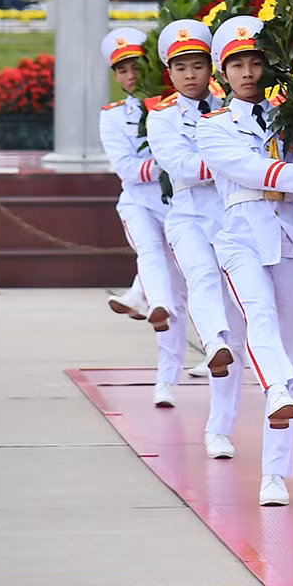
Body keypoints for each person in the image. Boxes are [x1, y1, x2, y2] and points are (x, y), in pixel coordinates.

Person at [200, 15, 293, 506]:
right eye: (236, 64)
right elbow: (250, 169)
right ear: (222, 73)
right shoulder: (212, 127)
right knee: (256, 315)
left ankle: (275, 473)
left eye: (255, 62)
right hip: (240, 235)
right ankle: (275, 388)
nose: (247, 73)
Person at [145, 19, 242, 458]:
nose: (190, 75)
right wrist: (228, 161)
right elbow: (179, 166)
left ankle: (219, 427)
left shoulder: (235, 104)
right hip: (187, 215)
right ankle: (213, 341)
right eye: (180, 66)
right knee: (201, 277)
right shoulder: (161, 115)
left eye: (198, 65)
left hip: (234, 215)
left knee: (238, 317)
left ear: (211, 68)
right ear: (170, 72)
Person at [98, 28, 186, 401]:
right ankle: (153, 300)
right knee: (150, 254)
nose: (130, 75)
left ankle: (146, 298)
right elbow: (127, 170)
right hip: (139, 202)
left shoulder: (176, 107)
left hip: (182, 207)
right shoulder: (113, 117)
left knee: (181, 295)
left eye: (135, 65)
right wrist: (168, 162)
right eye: (121, 70)